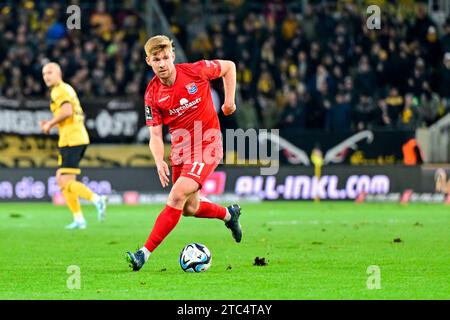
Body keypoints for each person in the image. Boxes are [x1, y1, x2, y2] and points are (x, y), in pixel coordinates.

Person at [126, 35, 242, 271]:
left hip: (207, 145)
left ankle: (143, 254)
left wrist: (229, 102)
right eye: (156, 59)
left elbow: (229, 67)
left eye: (166, 57)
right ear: (148, 61)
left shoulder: (195, 71)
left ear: (173, 56)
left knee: (176, 196)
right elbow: (156, 136)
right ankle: (229, 215)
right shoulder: (152, 94)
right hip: (181, 151)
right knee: (189, 208)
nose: (162, 64)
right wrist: (159, 160)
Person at [40, 62, 107, 229]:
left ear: (59, 73)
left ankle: (97, 199)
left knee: (64, 180)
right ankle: (79, 219)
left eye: (50, 72)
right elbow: (77, 113)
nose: (46, 76)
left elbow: (67, 111)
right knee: (61, 178)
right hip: (73, 137)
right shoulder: (67, 88)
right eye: (44, 74)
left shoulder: (59, 90)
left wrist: (49, 124)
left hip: (72, 139)